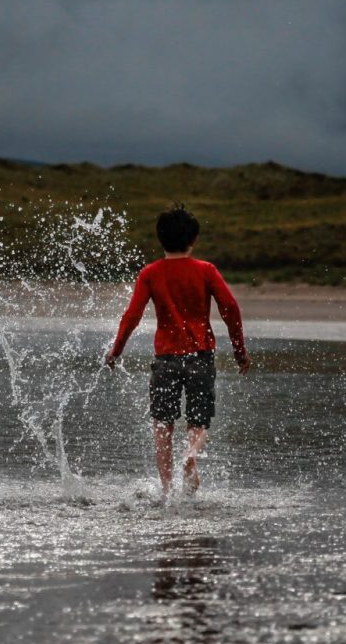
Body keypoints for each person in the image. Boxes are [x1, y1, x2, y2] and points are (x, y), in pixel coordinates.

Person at [104, 205, 251, 498]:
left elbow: (131, 316)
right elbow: (230, 309)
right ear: (193, 239)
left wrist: (116, 350)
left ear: (160, 239)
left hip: (166, 359)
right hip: (200, 355)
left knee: (162, 424)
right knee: (199, 421)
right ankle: (191, 455)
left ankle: (168, 490)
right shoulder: (206, 270)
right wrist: (239, 351)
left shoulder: (150, 273)